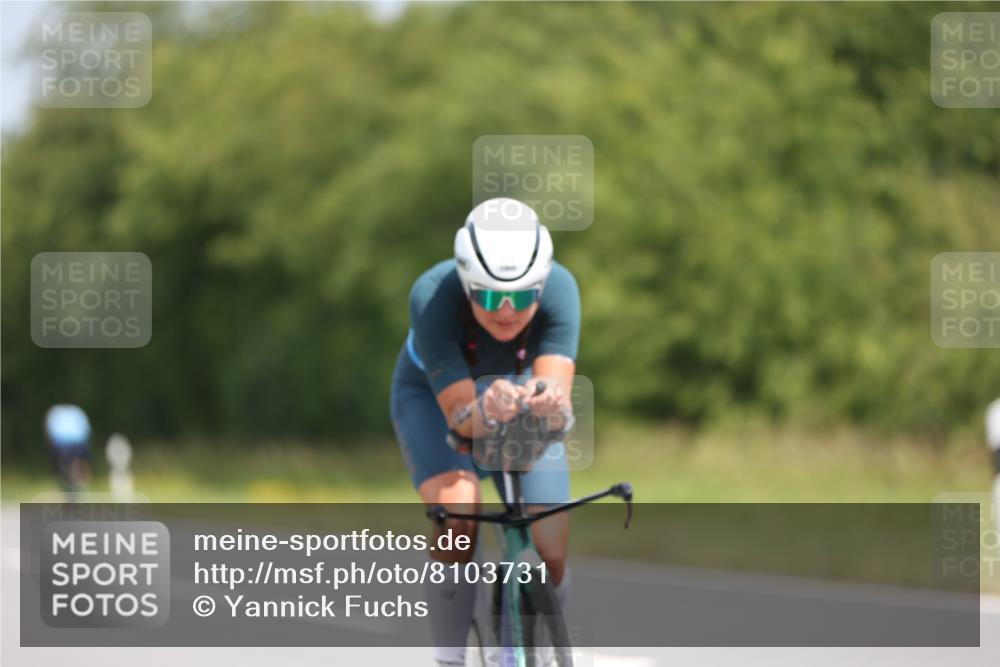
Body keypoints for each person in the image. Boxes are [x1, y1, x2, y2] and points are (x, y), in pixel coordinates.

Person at [390, 197, 579, 665]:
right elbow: (460, 417)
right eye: (492, 297)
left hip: (515, 397)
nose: (509, 312)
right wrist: (486, 407)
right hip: (437, 402)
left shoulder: (560, 288)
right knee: (459, 512)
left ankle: (535, 631)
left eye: (524, 296)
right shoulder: (432, 295)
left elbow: (557, 391)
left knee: (550, 536)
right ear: (468, 286)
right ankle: (449, 656)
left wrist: (550, 402)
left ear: (542, 284)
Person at [44, 403, 92, 492]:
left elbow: (49, 432)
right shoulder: (77, 410)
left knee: (60, 465)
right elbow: (87, 431)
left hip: (61, 446)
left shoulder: (55, 411)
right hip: (78, 444)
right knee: (81, 461)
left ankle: (64, 479)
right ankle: (81, 481)